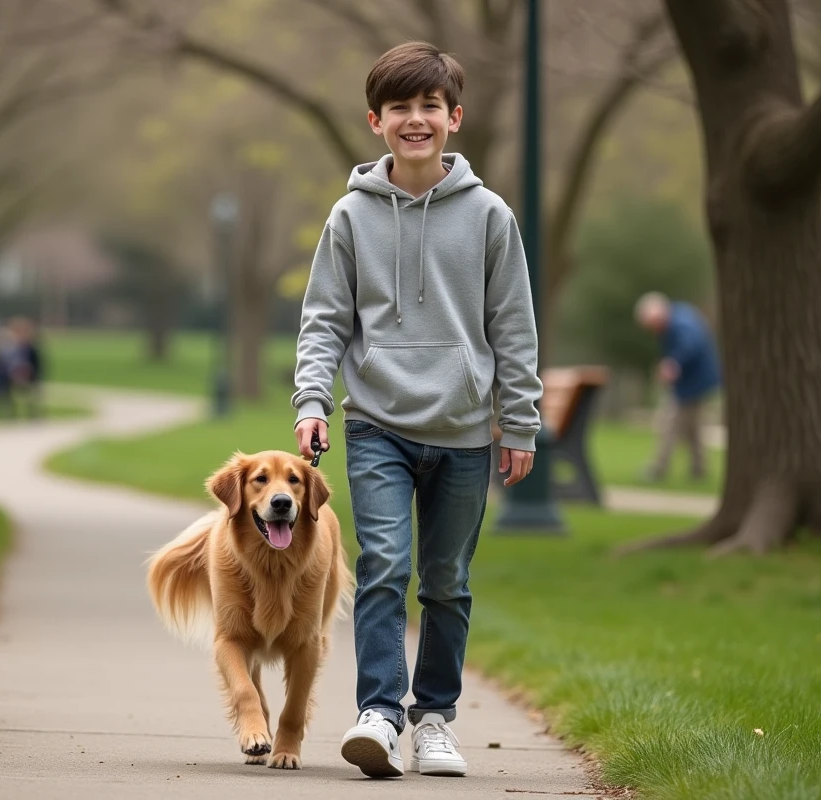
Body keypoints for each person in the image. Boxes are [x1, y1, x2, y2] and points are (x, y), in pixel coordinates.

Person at [291, 41, 543, 779]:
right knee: (383, 567)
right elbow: (324, 319)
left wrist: (518, 420)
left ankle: (435, 718)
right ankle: (379, 713)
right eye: (399, 107)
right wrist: (311, 399)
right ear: (376, 121)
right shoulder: (351, 217)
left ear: (454, 118)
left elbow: (514, 325)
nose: (415, 119)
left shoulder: (491, 216)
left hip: (464, 431)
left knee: (445, 582)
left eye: (429, 105)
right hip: (377, 424)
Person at [633, 291, 722, 481]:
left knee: (669, 423)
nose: (653, 330)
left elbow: (691, 345)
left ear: (657, 315)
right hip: (696, 383)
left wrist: (673, 362)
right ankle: (699, 469)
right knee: (692, 428)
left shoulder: (680, 323)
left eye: (652, 325)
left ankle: (658, 468)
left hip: (693, 384)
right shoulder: (678, 317)